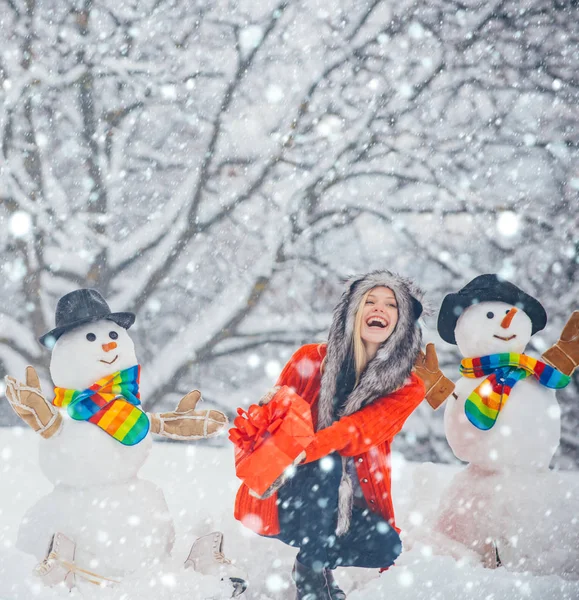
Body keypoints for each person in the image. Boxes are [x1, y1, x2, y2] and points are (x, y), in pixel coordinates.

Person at [233, 271, 451, 600]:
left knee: (385, 546)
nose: (380, 309)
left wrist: (308, 448)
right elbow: (273, 416)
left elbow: (360, 429)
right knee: (326, 465)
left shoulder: (407, 387)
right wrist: (263, 420)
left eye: (391, 304)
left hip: (343, 509)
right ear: (352, 310)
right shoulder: (309, 359)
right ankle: (311, 580)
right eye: (370, 301)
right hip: (289, 496)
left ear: (402, 321)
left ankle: (313, 562)